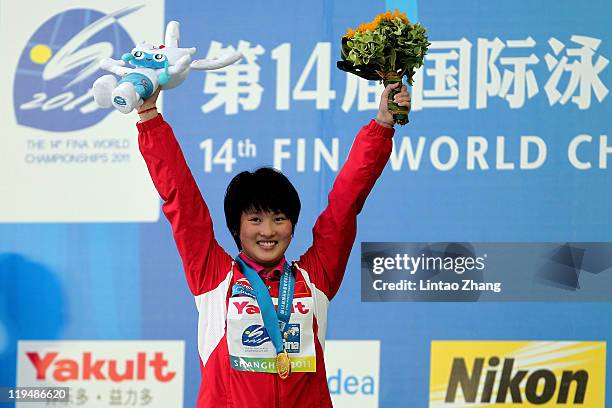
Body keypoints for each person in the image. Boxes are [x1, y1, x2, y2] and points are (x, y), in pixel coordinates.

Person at [136, 82, 411, 407]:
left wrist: (381, 124)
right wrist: (148, 116)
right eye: (255, 220)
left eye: (279, 218)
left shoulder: (315, 278)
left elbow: (346, 201)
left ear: (292, 225)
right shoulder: (213, 277)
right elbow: (181, 198)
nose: (268, 231)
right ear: (236, 228)